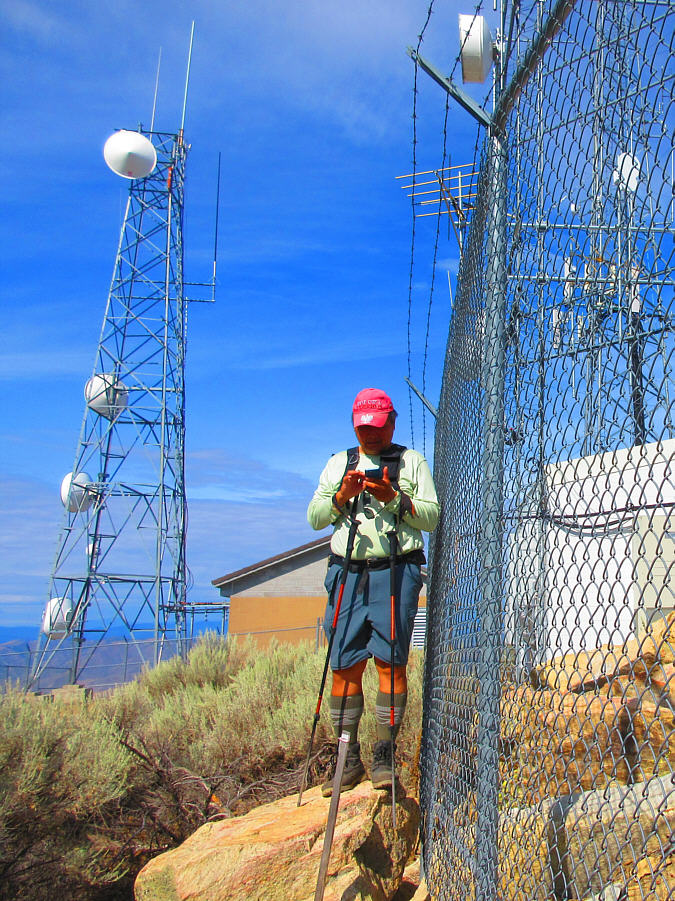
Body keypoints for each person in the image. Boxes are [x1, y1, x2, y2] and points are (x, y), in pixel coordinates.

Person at [307, 388, 439, 795]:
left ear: (392, 422)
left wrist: (394, 499)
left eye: (378, 428)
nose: (371, 436)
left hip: (396, 571)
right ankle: (347, 759)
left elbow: (431, 517)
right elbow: (314, 518)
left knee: (391, 664)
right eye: (364, 429)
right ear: (354, 424)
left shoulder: (410, 462)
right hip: (347, 573)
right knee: (344, 664)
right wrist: (341, 497)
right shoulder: (338, 464)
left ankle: (384, 754)